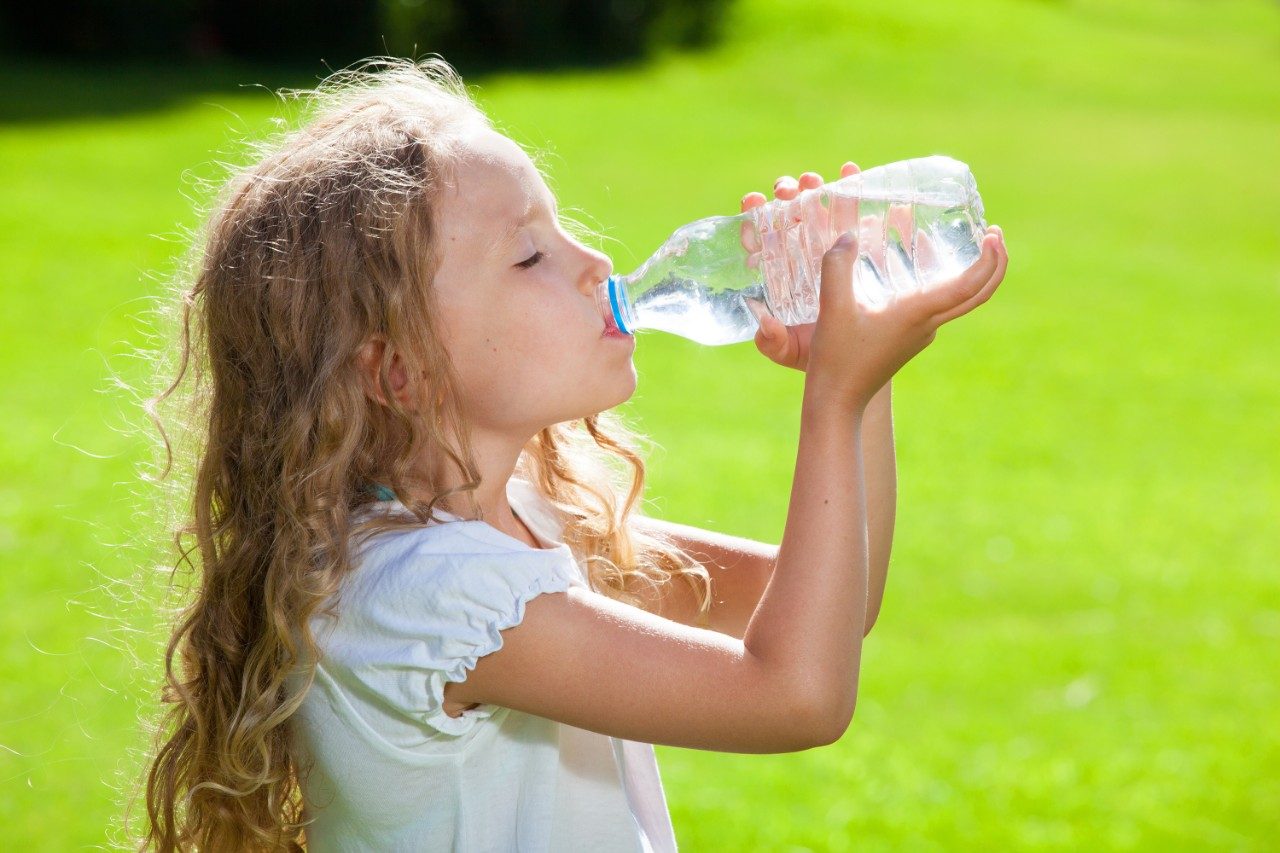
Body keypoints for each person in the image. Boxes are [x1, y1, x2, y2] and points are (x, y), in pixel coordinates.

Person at [140, 55, 1008, 851]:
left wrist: (856, 379)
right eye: (530, 255)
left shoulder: (525, 524)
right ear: (398, 368)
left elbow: (829, 605)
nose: (596, 261)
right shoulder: (434, 593)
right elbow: (797, 694)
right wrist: (836, 399)